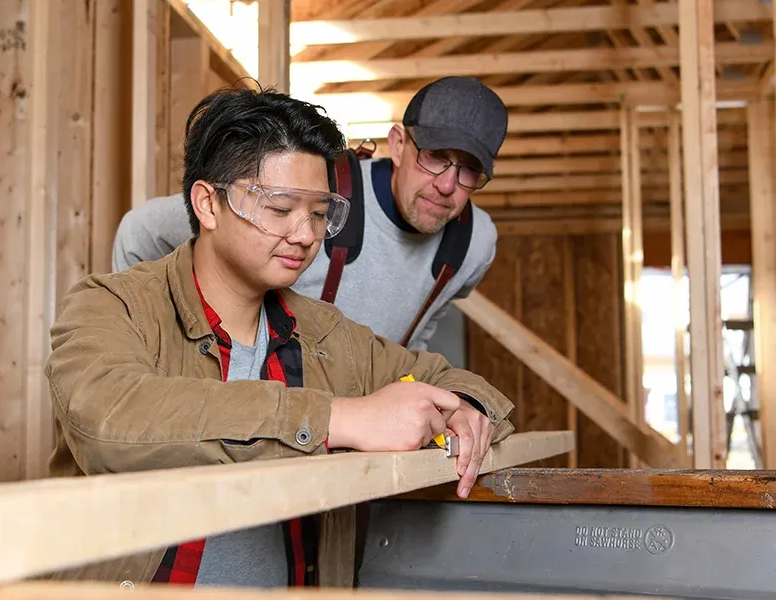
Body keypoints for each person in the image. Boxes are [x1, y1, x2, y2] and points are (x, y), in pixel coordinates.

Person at [44, 87, 515, 590]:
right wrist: (339, 419)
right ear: (208, 203)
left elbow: (448, 378)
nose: (305, 235)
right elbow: (108, 420)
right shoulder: (110, 306)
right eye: (280, 208)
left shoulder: (326, 334)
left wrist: (467, 407)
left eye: (318, 213)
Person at [111, 76, 508, 353]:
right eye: (435, 157)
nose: (447, 184)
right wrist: (154, 349)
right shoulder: (318, 190)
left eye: (469, 170)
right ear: (399, 144)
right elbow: (140, 233)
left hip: (359, 435)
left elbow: (421, 330)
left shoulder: (473, 243)